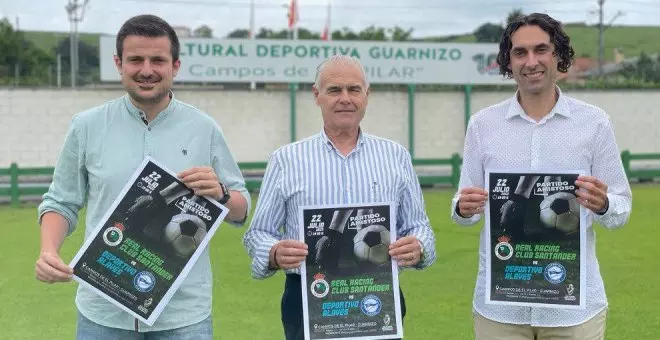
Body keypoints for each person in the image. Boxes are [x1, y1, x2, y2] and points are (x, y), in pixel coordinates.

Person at [34, 14, 251, 340]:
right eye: (136, 59)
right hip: (103, 310)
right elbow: (61, 201)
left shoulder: (204, 128)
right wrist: (48, 250)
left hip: (183, 315)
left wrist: (220, 194)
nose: (147, 70)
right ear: (119, 64)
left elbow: (241, 208)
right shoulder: (86, 126)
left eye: (158, 60)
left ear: (175, 66)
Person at [451, 13, 632, 340]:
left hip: (573, 311)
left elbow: (621, 210)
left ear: (558, 55)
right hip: (500, 310)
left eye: (541, 50)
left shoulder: (594, 123)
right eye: (520, 52)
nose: (531, 61)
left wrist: (604, 204)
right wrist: (463, 207)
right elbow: (464, 211)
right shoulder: (482, 125)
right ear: (508, 60)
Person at [242, 55, 437, 340]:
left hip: (378, 294)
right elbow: (258, 233)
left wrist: (418, 246)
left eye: (354, 89)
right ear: (316, 95)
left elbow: (419, 226)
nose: (345, 98)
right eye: (334, 90)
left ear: (366, 96)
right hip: (308, 297)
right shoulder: (286, 159)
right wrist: (273, 253)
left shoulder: (396, 156)